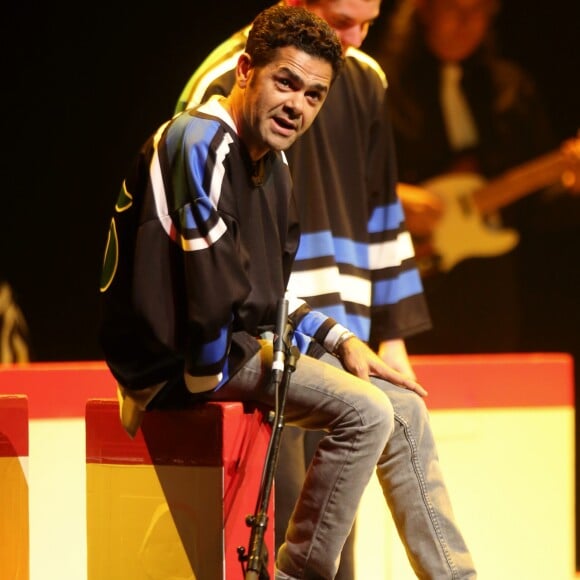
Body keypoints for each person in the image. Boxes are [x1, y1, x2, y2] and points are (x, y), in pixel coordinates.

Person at [100, 4, 476, 579]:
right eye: (286, 82)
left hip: (234, 342)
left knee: (400, 405)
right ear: (246, 70)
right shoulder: (201, 141)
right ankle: (301, 572)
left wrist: (345, 342)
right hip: (179, 360)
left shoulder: (273, 163)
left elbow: (263, 293)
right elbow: (210, 306)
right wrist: (206, 394)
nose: (298, 105)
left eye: (314, 95)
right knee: (367, 414)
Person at [374, 0, 580, 356]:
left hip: (489, 283)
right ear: (424, 12)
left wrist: (568, 187)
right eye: (455, 9)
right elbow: (342, 176)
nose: (467, 22)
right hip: (404, 272)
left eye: (479, 11)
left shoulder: (510, 88)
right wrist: (391, 197)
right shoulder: (378, 83)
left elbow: (536, 209)